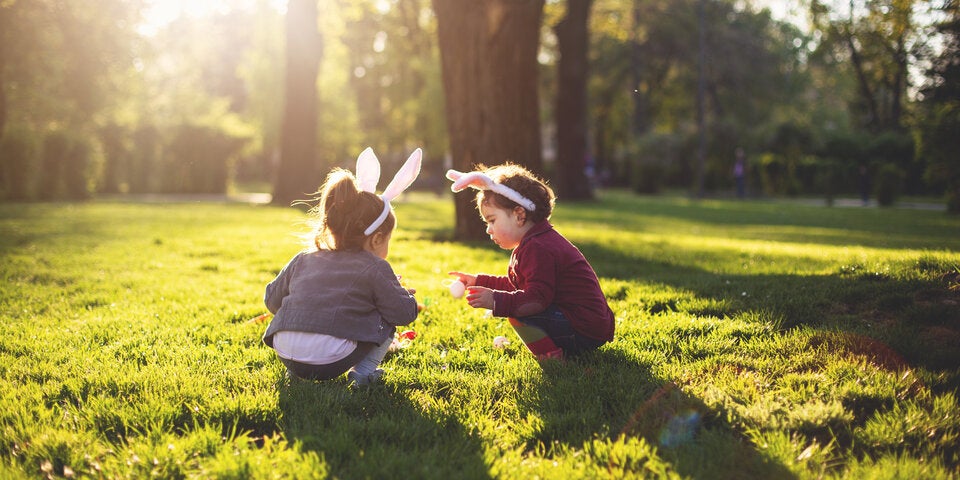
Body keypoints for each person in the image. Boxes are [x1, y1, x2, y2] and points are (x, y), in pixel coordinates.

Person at [262, 148, 422, 385]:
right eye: (388, 240)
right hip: (331, 359)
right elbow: (401, 313)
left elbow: (272, 301)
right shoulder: (376, 267)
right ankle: (363, 373)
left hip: (285, 351)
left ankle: (296, 371)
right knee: (386, 316)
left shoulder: (304, 259)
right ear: (377, 239)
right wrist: (401, 294)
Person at [445, 164, 615, 362]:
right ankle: (558, 348)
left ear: (519, 215)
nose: (488, 230)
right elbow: (517, 285)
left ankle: (552, 357)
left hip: (583, 328)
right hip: (586, 324)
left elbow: (536, 300)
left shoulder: (539, 248)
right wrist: (478, 281)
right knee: (515, 302)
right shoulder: (534, 242)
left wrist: (497, 301)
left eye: (492, 220)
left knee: (518, 311)